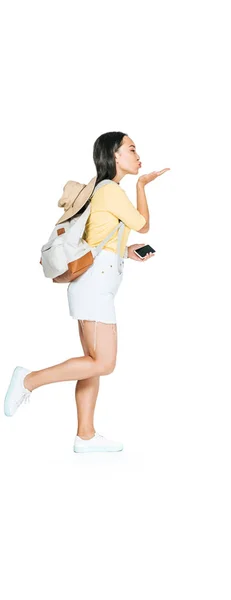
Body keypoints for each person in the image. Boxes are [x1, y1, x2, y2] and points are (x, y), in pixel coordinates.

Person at [4, 131, 169, 453]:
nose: (138, 155)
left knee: (92, 362)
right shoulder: (111, 190)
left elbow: (96, 238)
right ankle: (29, 379)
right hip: (95, 287)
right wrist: (142, 186)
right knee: (103, 363)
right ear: (114, 156)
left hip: (97, 283)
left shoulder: (105, 191)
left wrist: (125, 250)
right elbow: (143, 223)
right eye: (131, 149)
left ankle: (86, 436)